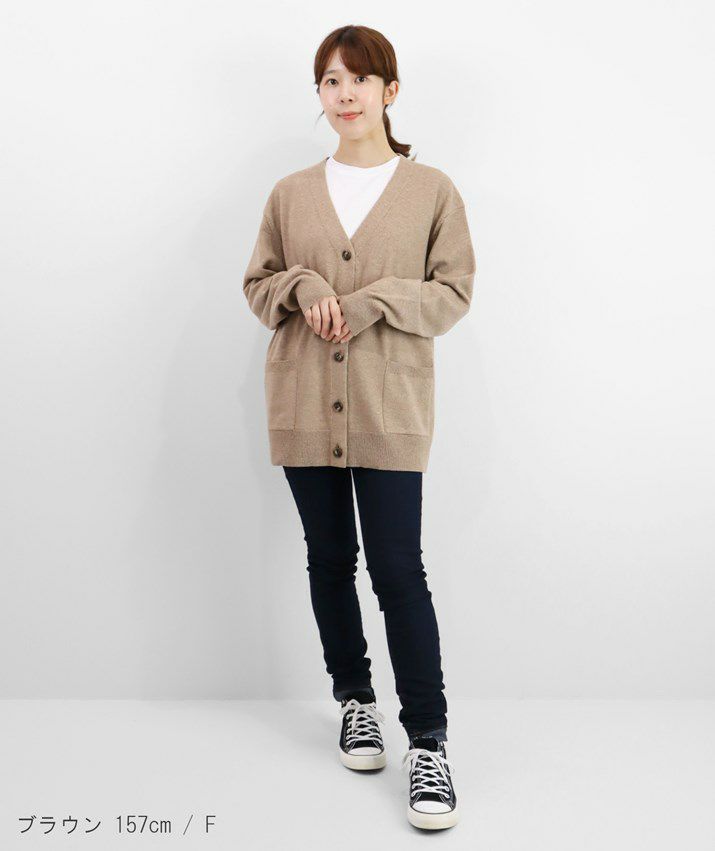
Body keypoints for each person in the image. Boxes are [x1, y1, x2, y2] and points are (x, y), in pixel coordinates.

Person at [242, 24, 476, 831]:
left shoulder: (431, 190)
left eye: (359, 79)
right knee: (329, 559)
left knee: (397, 568)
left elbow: (452, 293)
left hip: (389, 405)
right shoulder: (290, 194)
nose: (344, 95)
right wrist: (302, 285)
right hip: (305, 399)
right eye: (330, 81)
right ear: (320, 94)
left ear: (389, 91)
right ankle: (354, 700)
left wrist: (376, 299)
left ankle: (428, 742)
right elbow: (259, 283)